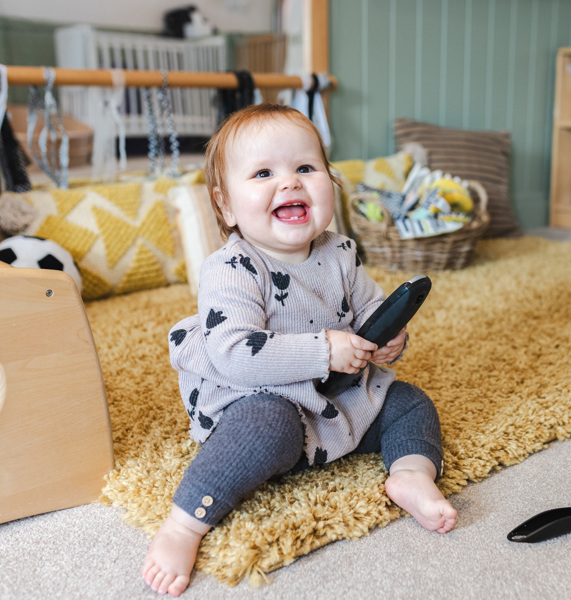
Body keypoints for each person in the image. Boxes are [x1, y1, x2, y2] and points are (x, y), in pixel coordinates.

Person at [142, 104, 456, 597]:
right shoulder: (232, 268)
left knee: (409, 402)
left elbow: (371, 312)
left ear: (330, 183)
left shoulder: (341, 253)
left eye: (305, 169)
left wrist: (389, 341)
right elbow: (233, 353)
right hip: (254, 394)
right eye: (264, 173)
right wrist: (323, 350)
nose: (289, 183)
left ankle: (411, 475)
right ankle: (184, 524)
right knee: (265, 428)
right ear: (226, 207)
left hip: (331, 394)